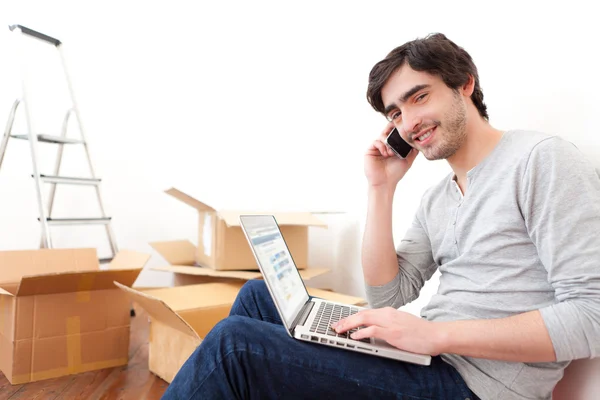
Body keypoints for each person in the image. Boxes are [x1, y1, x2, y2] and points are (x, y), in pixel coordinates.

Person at [161, 33, 600, 400]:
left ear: (464, 84)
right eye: (395, 113)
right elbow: (387, 296)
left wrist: (436, 336)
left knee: (233, 346)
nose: (408, 123)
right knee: (259, 297)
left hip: (472, 386)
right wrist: (381, 188)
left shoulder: (542, 160)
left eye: (419, 97)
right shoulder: (438, 197)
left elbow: (592, 315)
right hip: (429, 357)